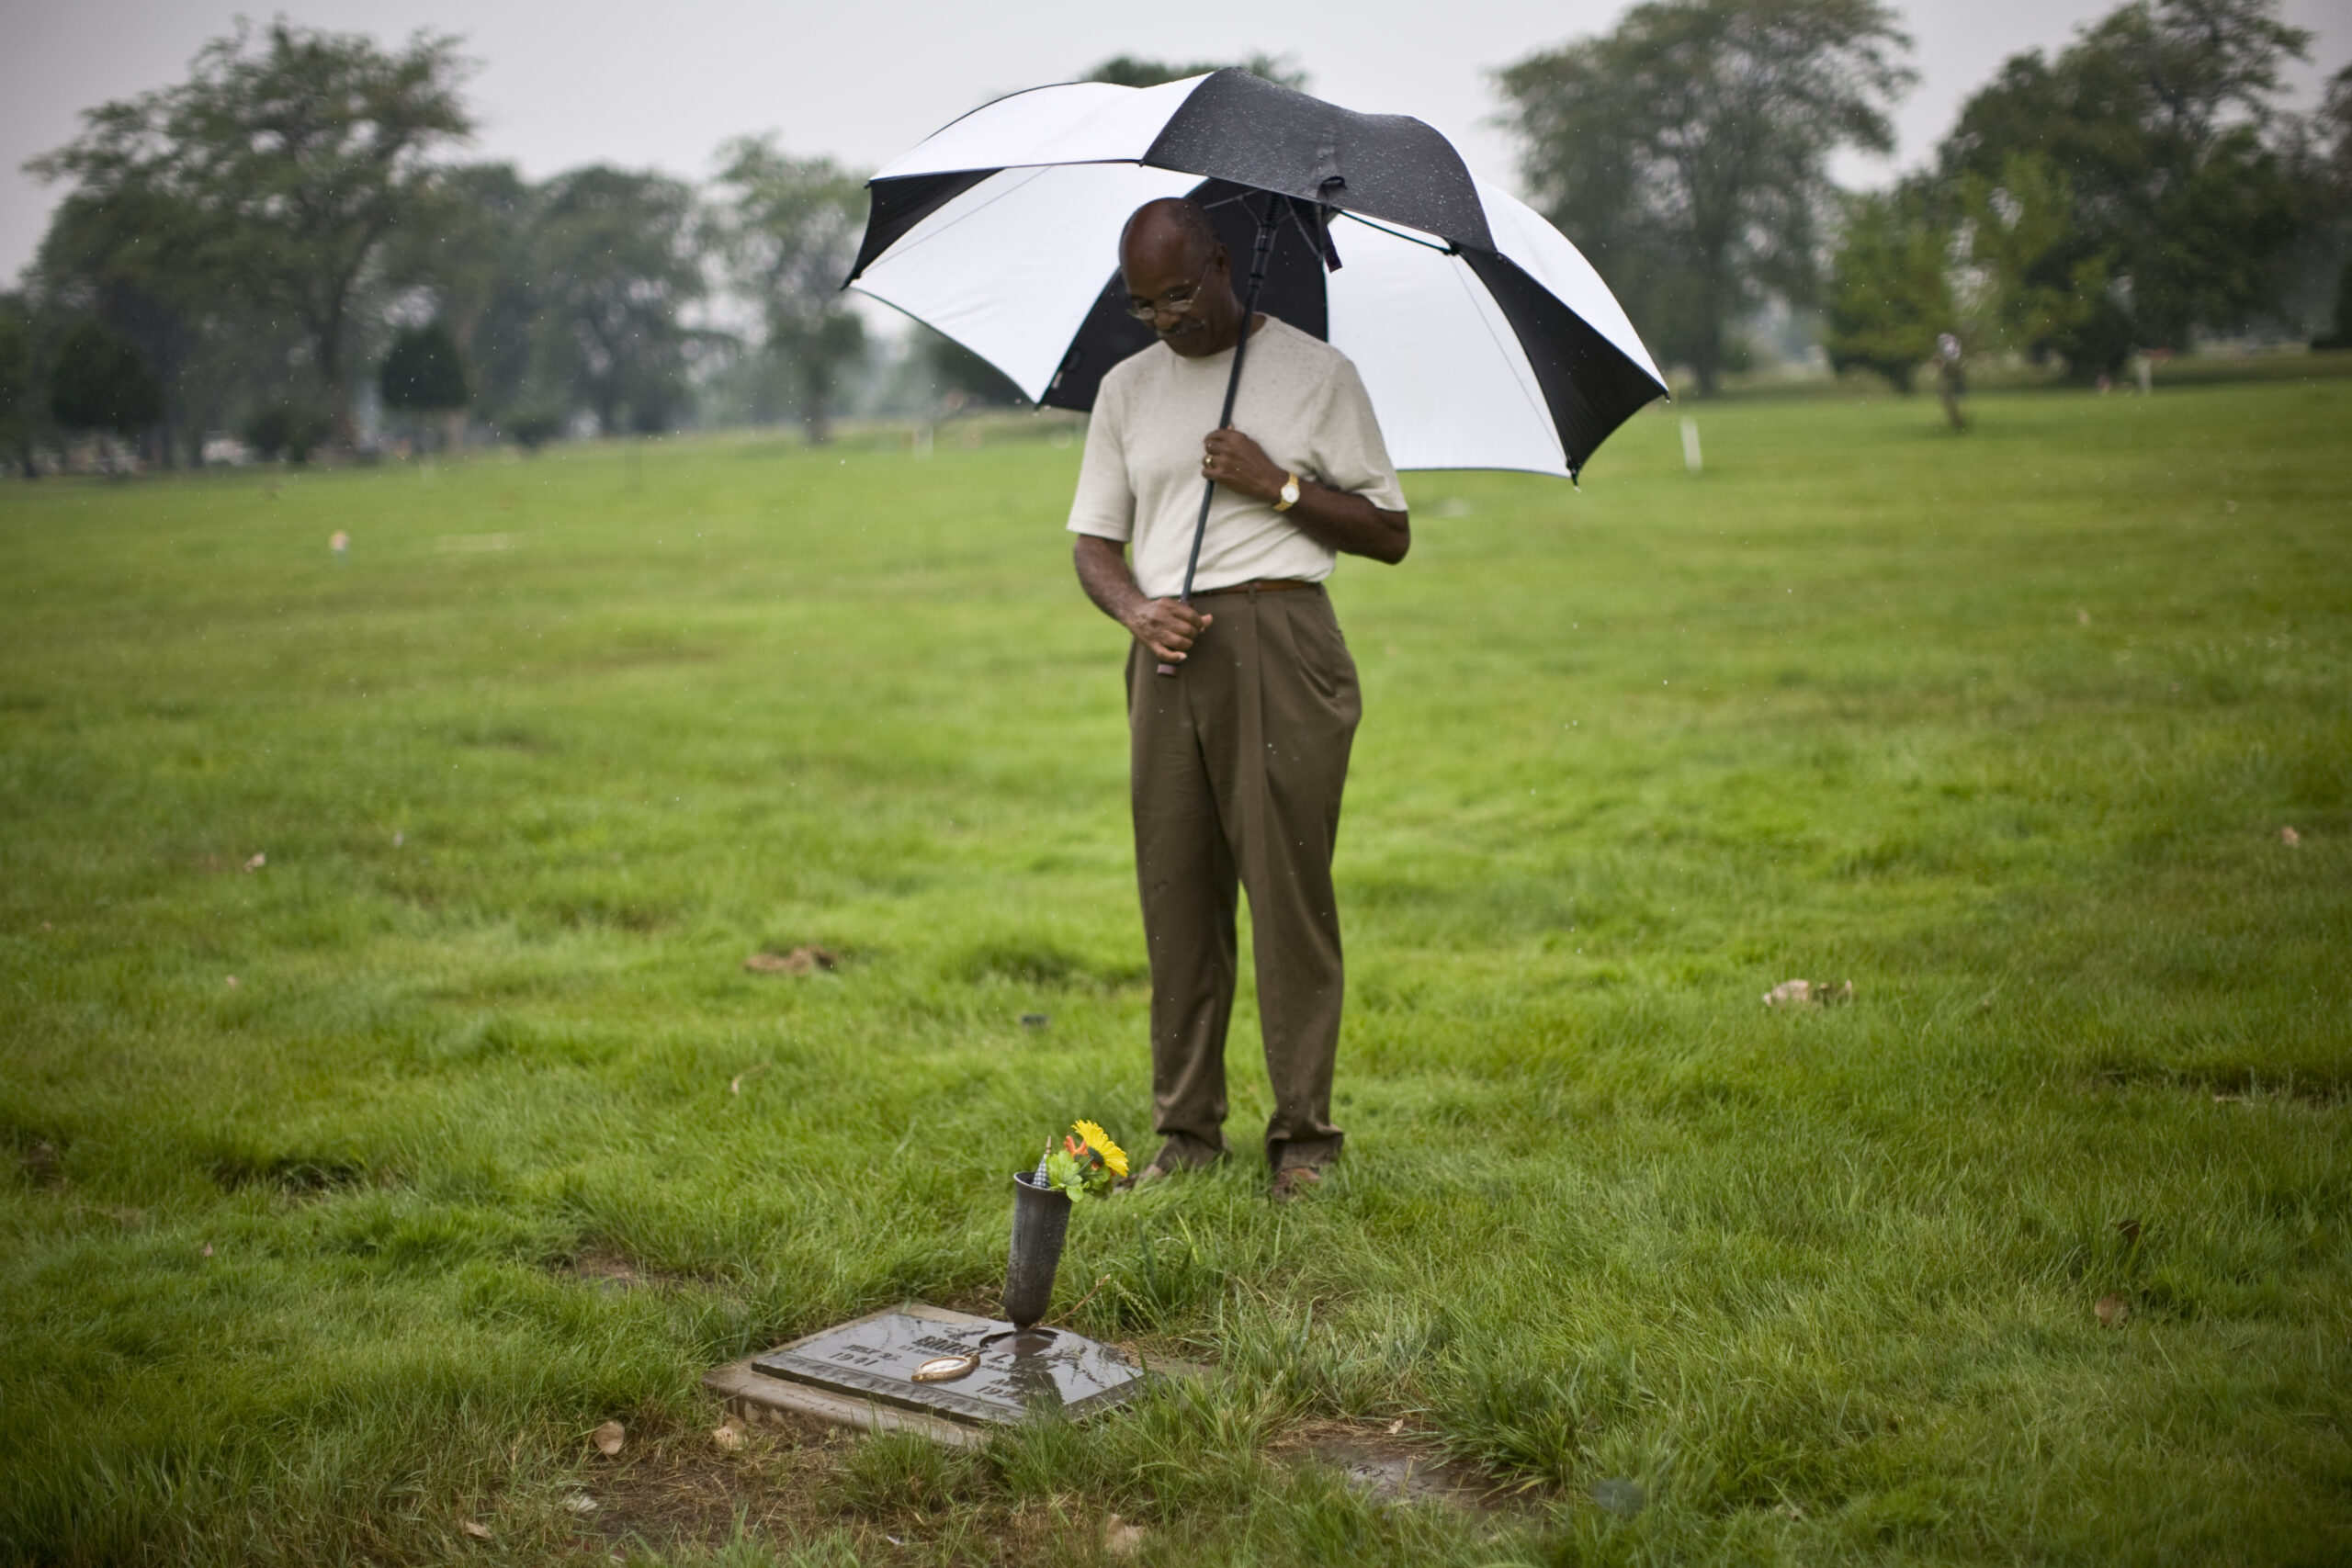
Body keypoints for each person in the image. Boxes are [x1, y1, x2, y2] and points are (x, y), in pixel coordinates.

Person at [1067, 197, 1410, 1202]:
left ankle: (1303, 1136)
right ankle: (1187, 1133)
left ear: (1221, 264)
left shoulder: (1316, 375)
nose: (1167, 322)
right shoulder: (1127, 390)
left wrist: (1279, 486)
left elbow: (1390, 533)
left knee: (1287, 895)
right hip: (1169, 655)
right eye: (1143, 307)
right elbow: (1094, 540)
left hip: (1280, 641)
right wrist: (1134, 608)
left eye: (1177, 295)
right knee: (1176, 897)